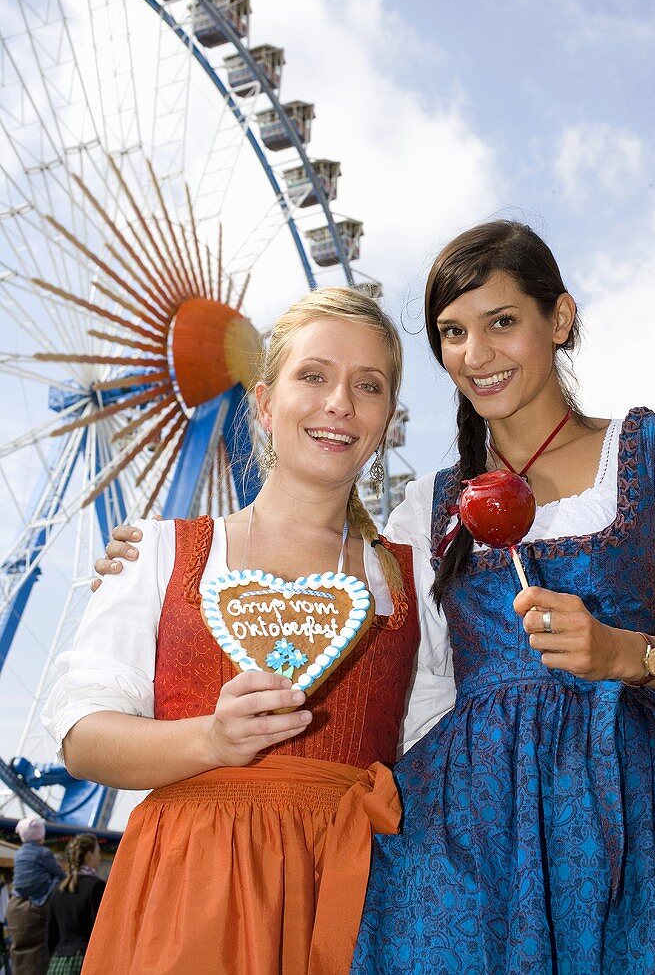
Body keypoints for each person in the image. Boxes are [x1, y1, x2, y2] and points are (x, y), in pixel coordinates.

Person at [100, 220, 655, 973]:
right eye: (452, 333)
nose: (476, 355)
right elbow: (397, 674)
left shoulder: (652, 448)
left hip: (635, 803)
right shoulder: (425, 510)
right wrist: (161, 561)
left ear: (559, 319)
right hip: (477, 829)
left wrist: (628, 653)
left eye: (502, 322)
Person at [43, 287, 429, 975]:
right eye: (313, 375)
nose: (339, 401)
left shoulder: (409, 582)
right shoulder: (158, 554)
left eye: (367, 386)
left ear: (386, 419)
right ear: (262, 402)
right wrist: (211, 739)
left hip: (357, 898)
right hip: (191, 895)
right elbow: (82, 739)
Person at [5, 817, 64, 975]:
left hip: (18, 899)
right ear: (40, 835)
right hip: (40, 899)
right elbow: (60, 874)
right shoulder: (44, 853)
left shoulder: (18, 854)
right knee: (57, 879)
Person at [45, 834, 105, 975]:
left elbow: (50, 934)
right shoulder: (97, 887)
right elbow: (101, 931)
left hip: (57, 963)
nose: (100, 857)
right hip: (84, 961)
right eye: (97, 852)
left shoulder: (58, 889)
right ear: (89, 855)